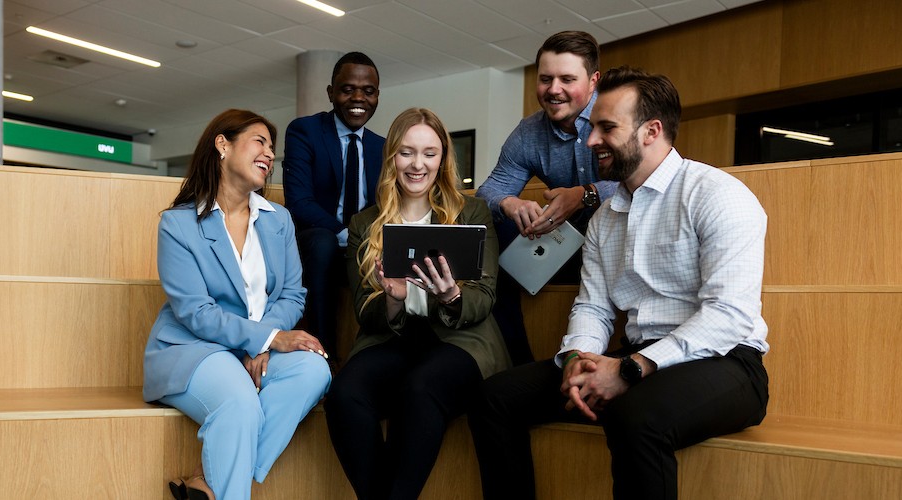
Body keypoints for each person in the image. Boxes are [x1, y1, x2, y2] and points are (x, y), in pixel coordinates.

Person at [468, 67, 770, 500]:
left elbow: (728, 317)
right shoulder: (605, 219)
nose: (591, 141)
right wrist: (576, 356)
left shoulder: (718, 195)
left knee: (635, 416)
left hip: (727, 362)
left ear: (651, 131)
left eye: (607, 128)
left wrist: (630, 369)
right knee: (495, 397)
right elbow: (593, 307)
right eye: (593, 128)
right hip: (635, 359)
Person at [142, 109, 332, 500]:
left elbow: (293, 294)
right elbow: (197, 313)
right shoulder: (178, 225)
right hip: (194, 349)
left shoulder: (279, 219)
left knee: (315, 370)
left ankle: (208, 479)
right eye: (260, 141)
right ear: (223, 145)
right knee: (240, 404)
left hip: (255, 349)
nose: (269, 155)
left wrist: (264, 343)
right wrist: (267, 340)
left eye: (272, 149)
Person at [325, 108, 510, 499]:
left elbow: (485, 296)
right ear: (392, 156)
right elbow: (364, 310)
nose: (417, 164)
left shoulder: (472, 212)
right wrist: (393, 300)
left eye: (429, 153)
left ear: (443, 158)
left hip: (460, 342)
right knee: (344, 393)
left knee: (421, 385)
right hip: (392, 341)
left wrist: (450, 295)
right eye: (407, 152)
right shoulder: (365, 224)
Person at [475, 31, 615, 365]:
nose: (554, 89)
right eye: (545, 79)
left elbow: (651, 176)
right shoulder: (529, 132)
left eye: (568, 79)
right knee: (489, 236)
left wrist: (586, 195)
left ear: (594, 80)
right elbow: (488, 192)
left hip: (620, 242)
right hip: (563, 247)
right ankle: (516, 365)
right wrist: (510, 203)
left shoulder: (618, 114)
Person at [283, 51, 385, 360]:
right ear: (331, 93)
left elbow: (385, 204)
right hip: (317, 245)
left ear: (377, 96)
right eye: (347, 89)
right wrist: (347, 234)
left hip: (361, 247)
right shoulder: (305, 131)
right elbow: (300, 202)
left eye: (368, 91)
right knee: (325, 241)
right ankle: (321, 359)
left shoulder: (382, 146)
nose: (358, 97)